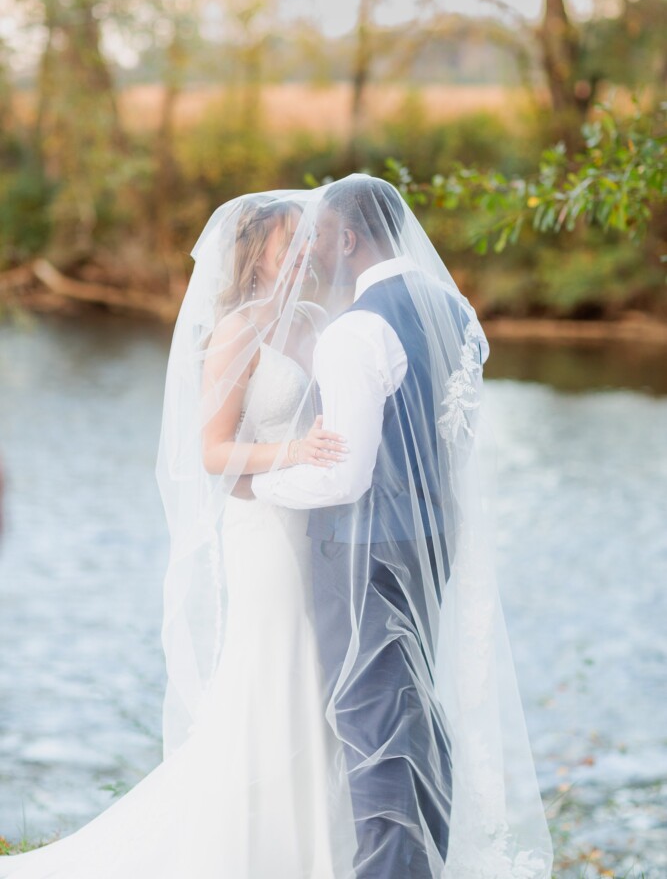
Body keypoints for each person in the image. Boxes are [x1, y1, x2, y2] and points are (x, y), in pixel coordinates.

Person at [0, 174, 553, 879]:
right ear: (258, 253)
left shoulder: (331, 322)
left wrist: (327, 465)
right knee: (274, 684)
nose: (306, 255)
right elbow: (211, 454)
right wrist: (292, 453)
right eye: (291, 243)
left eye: (311, 241)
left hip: (328, 529)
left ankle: (333, 850)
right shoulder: (237, 331)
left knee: (338, 696)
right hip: (267, 530)